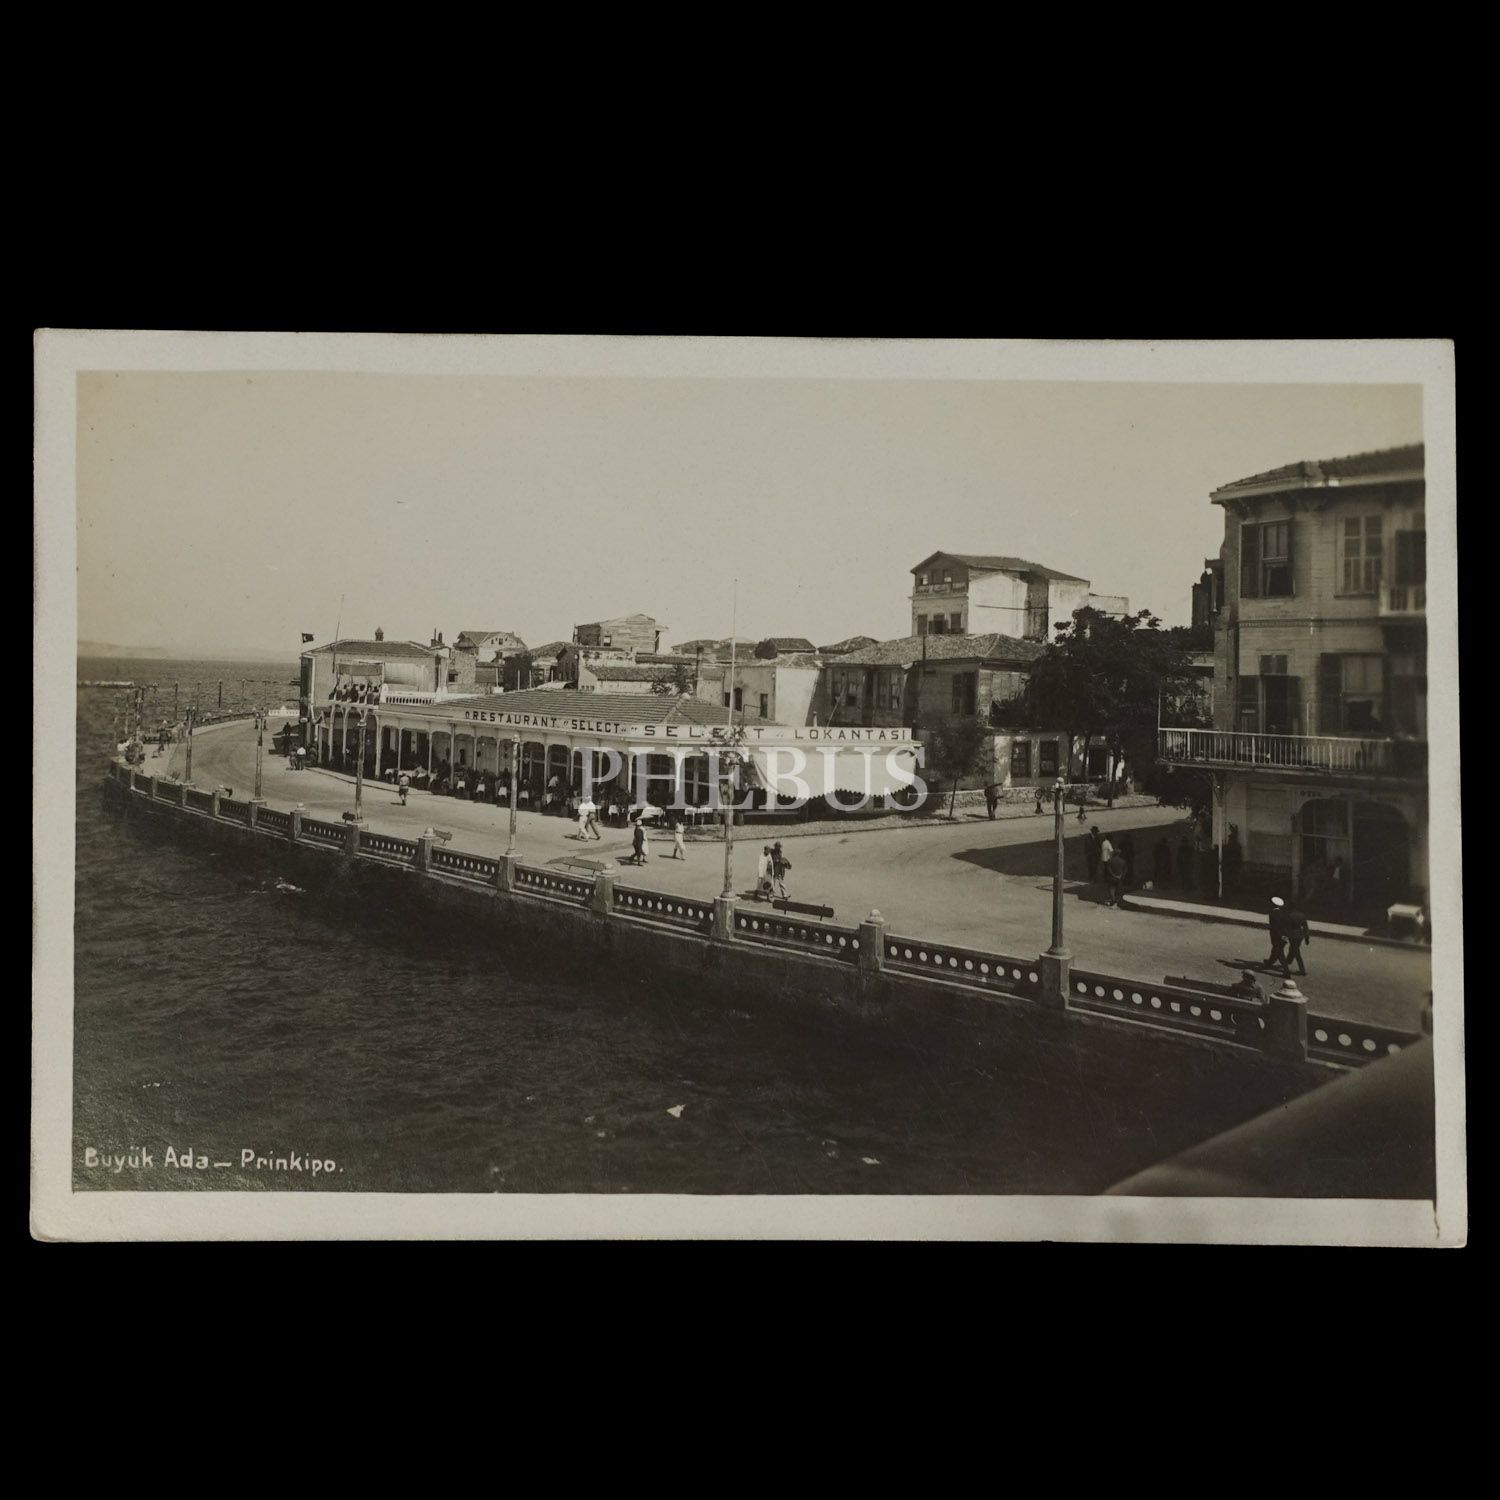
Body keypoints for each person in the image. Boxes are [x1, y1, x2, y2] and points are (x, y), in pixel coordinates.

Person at [1281, 899, 1311, 977]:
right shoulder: (1302, 915)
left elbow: (1286, 927)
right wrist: (1306, 937)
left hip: (1293, 935)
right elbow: (1305, 927)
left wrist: (1284, 936)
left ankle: (1302, 970)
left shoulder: (1289, 915)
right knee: (1293, 949)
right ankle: (1288, 961)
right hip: (1300, 935)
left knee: (1296, 952)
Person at [1266, 895, 1288, 970]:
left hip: (1277, 936)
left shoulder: (1273, 913)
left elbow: (1275, 926)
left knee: (1279, 953)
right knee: (1275, 950)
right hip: (1283, 935)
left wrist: (1280, 936)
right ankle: (1269, 963)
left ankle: (1286, 971)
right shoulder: (1283, 913)